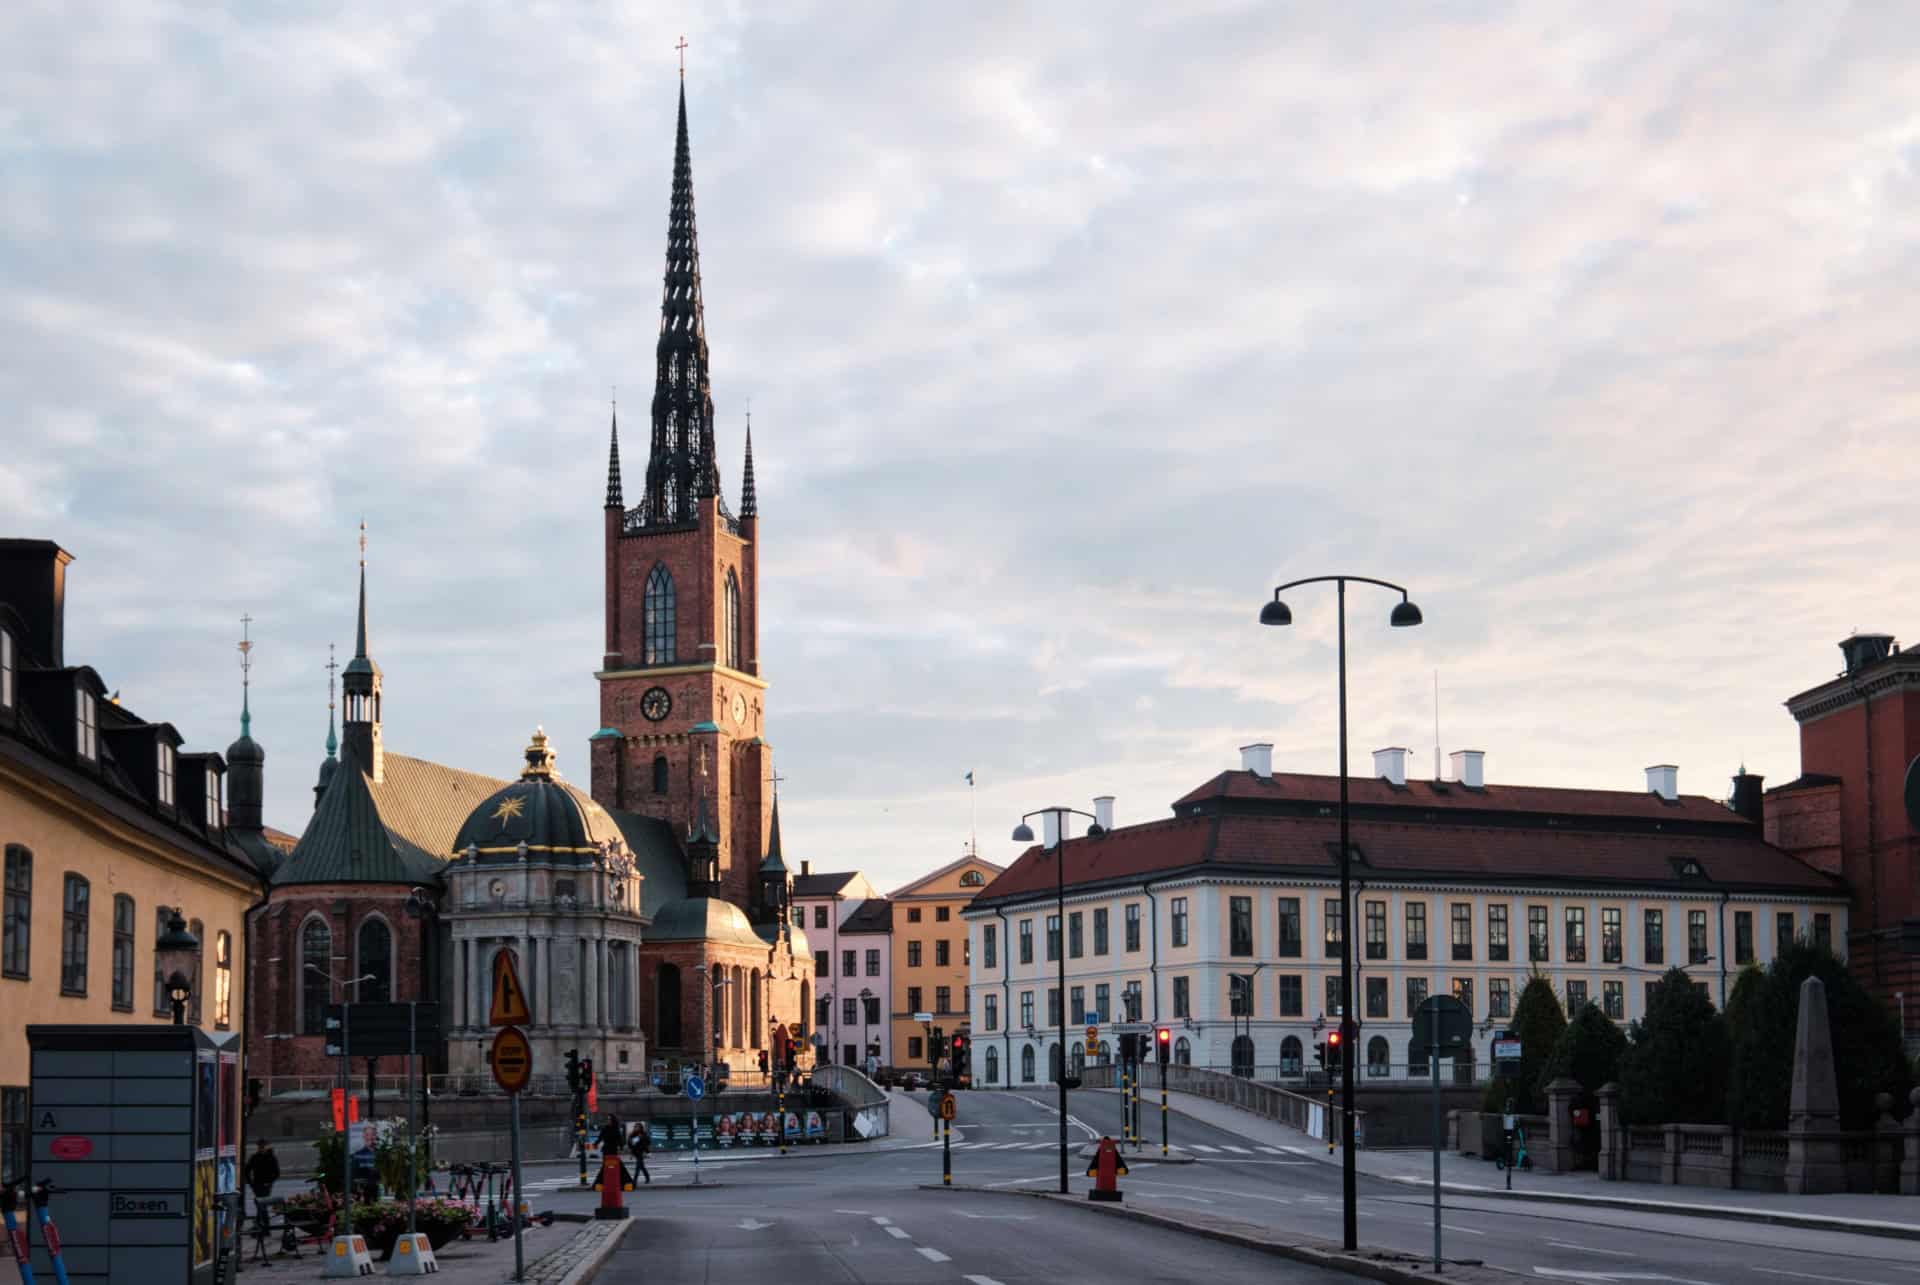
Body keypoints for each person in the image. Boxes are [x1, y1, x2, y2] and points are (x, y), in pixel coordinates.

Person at [243, 1138, 280, 1222]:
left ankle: (261, 1226)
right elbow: (247, 1171)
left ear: (266, 1147)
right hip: (257, 1184)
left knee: (261, 1204)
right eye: (260, 1146)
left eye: (263, 1146)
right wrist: (251, 1183)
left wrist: (269, 1182)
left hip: (266, 1185)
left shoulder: (271, 1157)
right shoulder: (255, 1157)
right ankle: (262, 1226)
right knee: (261, 1204)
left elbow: (277, 1173)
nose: (261, 1148)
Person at [629, 1121, 651, 1185]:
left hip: (641, 1152)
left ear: (641, 1128)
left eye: (638, 1127)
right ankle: (647, 1177)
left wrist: (648, 1152)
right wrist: (631, 1153)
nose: (636, 1128)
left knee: (638, 1166)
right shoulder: (632, 1134)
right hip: (635, 1152)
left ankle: (634, 1181)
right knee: (641, 1166)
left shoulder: (643, 1134)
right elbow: (630, 1145)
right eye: (635, 1127)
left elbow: (647, 1143)